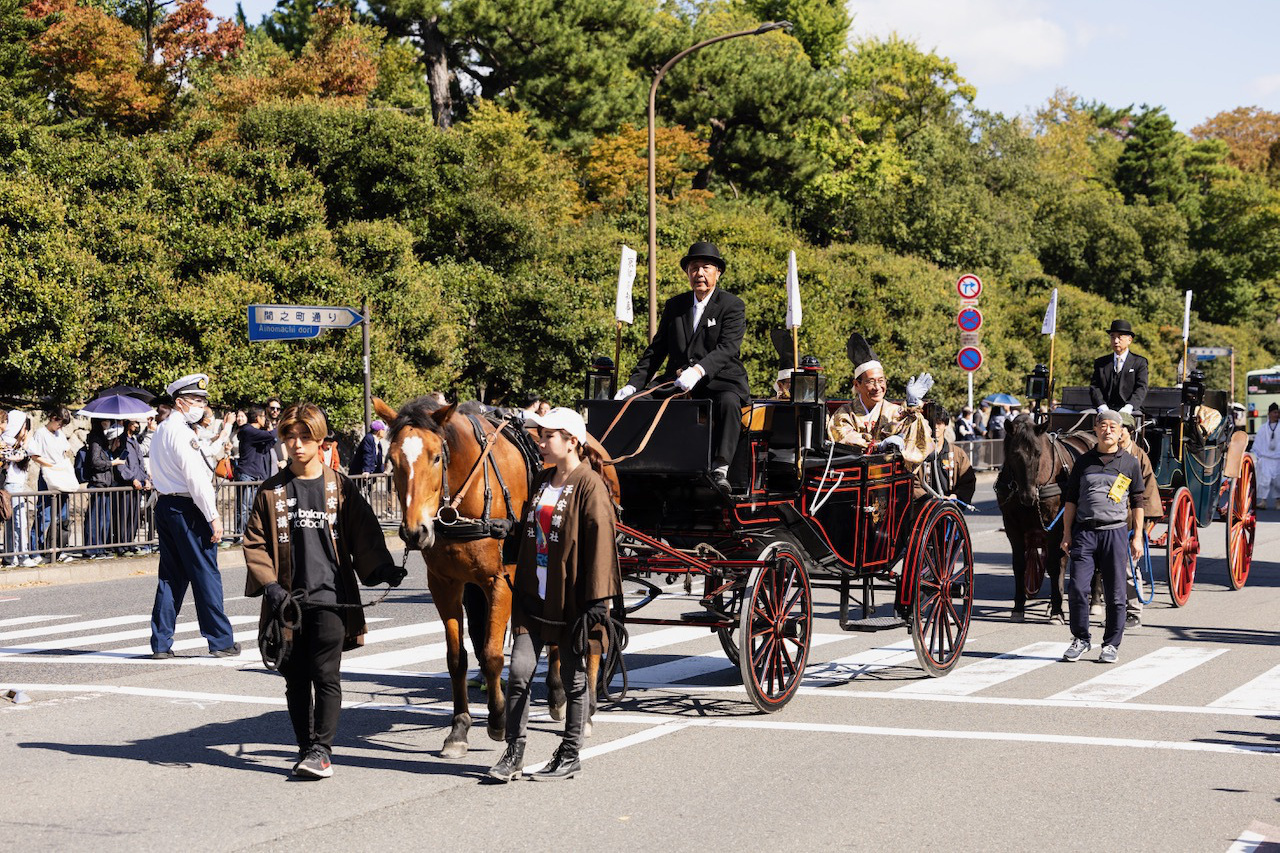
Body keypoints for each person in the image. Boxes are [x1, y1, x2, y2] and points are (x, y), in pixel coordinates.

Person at [243, 403, 404, 779]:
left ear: (320, 441)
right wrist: (269, 586)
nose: (297, 445)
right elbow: (255, 543)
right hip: (288, 601)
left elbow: (365, 534)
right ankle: (305, 747)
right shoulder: (271, 491)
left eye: (305, 437)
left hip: (332, 597)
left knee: (325, 673)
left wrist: (381, 569)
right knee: (294, 678)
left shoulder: (340, 487)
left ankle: (322, 750)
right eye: (289, 437)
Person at [487, 407, 622, 783]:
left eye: (549, 436)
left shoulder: (590, 484)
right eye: (541, 435)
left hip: (573, 600)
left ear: (572, 441)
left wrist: (598, 601)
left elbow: (601, 544)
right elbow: (532, 528)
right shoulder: (544, 480)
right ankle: (514, 752)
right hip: (533, 597)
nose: (541, 443)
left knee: (576, 679)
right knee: (519, 674)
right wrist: (509, 530)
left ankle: (569, 752)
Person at [615, 241, 750, 492]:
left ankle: (721, 468)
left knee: (729, 403)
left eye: (706, 268)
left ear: (717, 272)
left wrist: (699, 370)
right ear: (688, 272)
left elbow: (727, 348)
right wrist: (633, 384)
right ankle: (638, 465)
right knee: (637, 404)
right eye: (694, 268)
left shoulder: (732, 305)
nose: (699, 273)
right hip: (676, 381)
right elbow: (657, 349)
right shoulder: (676, 305)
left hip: (718, 379)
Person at [147, 373, 240, 660]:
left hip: (166, 507)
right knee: (205, 574)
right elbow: (196, 480)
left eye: (202, 400)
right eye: (196, 400)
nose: (201, 405)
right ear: (180, 402)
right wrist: (213, 516)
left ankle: (161, 643)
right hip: (189, 509)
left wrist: (223, 434)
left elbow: (195, 462)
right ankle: (220, 640)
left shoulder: (163, 430)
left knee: (170, 577)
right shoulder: (183, 433)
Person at [1059, 410, 1145, 664]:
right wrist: (1066, 533)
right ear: (1095, 430)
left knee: (1116, 593)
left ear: (1121, 433)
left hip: (1115, 532)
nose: (1108, 430)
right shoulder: (1083, 462)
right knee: (1076, 588)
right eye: (1103, 426)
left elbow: (1138, 500)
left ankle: (1111, 644)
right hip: (1084, 532)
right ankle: (1081, 638)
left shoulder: (1130, 463)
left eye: (1113, 427)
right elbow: (1070, 500)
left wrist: (1137, 536)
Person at [828, 332, 934, 464]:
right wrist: (879, 446)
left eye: (881, 380)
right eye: (870, 381)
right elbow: (845, 439)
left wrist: (913, 407)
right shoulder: (844, 414)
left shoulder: (898, 412)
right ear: (857, 384)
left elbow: (921, 440)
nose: (877, 387)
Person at [1114, 412, 1161, 628]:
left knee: (1128, 567)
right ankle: (1115, 610)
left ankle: (1134, 611)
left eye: (1120, 428)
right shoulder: (1108, 453)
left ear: (1129, 431)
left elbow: (1148, 493)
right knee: (1108, 568)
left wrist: (1141, 531)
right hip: (1108, 518)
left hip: (1132, 519)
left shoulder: (1139, 457)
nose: (1115, 432)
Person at [28, 406, 74, 561]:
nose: (60, 427)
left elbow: (65, 450)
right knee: (44, 515)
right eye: (60, 423)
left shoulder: (59, 434)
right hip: (48, 475)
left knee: (63, 515)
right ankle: (36, 550)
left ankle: (58, 550)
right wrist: (50, 466)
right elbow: (34, 455)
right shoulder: (41, 433)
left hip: (60, 474)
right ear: (53, 417)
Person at [233, 405, 277, 537]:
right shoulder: (248, 430)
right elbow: (271, 435)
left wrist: (272, 434)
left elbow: (264, 448)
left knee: (251, 506)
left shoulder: (253, 434)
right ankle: (240, 535)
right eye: (264, 417)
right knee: (244, 507)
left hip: (254, 474)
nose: (265, 419)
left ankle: (248, 533)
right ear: (258, 418)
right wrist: (276, 428)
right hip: (246, 473)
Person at [1089, 319, 1149, 413]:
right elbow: (1095, 387)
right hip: (1104, 409)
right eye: (1113, 337)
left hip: (1130, 410)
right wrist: (1102, 406)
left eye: (1120, 337)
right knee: (1084, 417)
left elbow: (1141, 388)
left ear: (1129, 340)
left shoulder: (1140, 362)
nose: (1116, 341)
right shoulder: (1101, 362)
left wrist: (1129, 407)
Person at [2, 411, 36, 567]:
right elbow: (16, 456)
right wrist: (25, 443)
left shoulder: (14, 442)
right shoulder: (7, 442)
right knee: (18, 522)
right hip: (12, 487)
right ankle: (21, 555)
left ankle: (11, 557)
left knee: (13, 523)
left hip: (14, 486)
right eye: (24, 426)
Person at [1254, 402, 1280, 511]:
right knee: (1264, 480)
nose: (1276, 415)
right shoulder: (1263, 428)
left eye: (1277, 412)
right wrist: (1258, 456)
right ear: (1269, 413)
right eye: (1274, 412)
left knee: (1278, 481)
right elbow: (1258, 442)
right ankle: (1263, 501)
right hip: (1266, 458)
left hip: (1278, 458)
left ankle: (1278, 502)